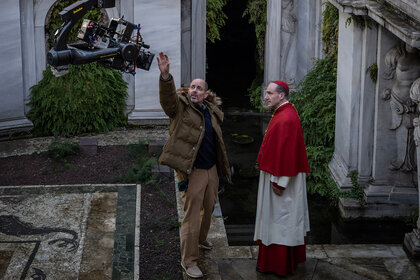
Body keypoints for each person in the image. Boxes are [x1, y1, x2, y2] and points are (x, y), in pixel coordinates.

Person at [156, 52, 231, 278]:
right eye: (192, 87)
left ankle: (201, 239)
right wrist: (166, 76)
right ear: (188, 90)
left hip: (211, 170)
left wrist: (221, 169)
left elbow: (218, 142)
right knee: (192, 214)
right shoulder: (180, 107)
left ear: (206, 93)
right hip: (194, 170)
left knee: (209, 208)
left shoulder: (211, 111)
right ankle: (189, 261)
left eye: (199, 88)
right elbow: (167, 101)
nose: (195, 91)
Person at [254, 80, 310, 277]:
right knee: (279, 219)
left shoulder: (286, 118)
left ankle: (277, 265)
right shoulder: (284, 112)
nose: (266, 96)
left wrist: (280, 182)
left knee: (280, 219)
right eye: (266, 93)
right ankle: (275, 262)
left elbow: (288, 154)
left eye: (269, 93)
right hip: (278, 175)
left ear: (282, 95)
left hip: (281, 180)